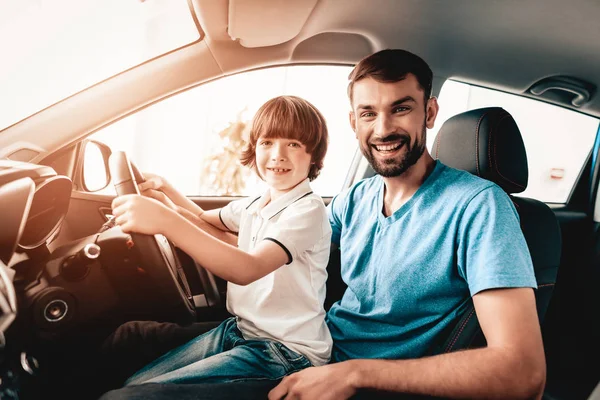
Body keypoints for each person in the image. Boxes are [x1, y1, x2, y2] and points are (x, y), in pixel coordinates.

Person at [101, 49, 545, 400]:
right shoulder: (356, 198)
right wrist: (170, 206)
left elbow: (521, 372)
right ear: (354, 122)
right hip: (307, 346)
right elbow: (267, 239)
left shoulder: (479, 207)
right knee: (129, 339)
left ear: (429, 114)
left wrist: (352, 374)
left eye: (401, 109)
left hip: (348, 381)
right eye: (369, 113)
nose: (384, 128)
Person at [110, 95, 333, 385]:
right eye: (267, 142)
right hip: (243, 331)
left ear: (314, 156)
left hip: (286, 353)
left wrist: (165, 220)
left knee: (130, 395)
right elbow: (203, 220)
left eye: (293, 144)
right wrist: (166, 192)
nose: (278, 154)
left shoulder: (307, 211)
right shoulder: (258, 202)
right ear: (254, 149)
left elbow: (246, 269)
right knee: (132, 352)